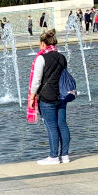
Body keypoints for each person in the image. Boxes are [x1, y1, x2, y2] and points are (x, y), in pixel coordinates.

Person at [27, 28, 70, 165]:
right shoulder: (61, 57)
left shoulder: (41, 58)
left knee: (51, 126)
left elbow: (36, 80)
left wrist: (32, 97)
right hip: (62, 95)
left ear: (43, 43)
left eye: (40, 43)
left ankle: (53, 157)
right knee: (62, 125)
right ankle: (65, 155)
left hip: (47, 97)